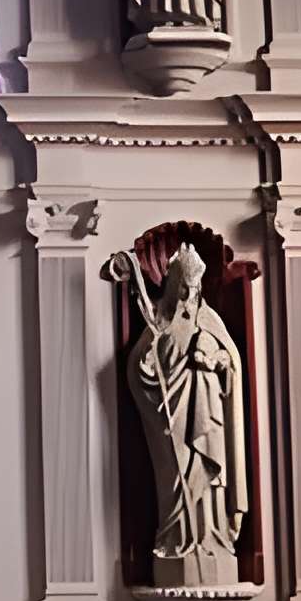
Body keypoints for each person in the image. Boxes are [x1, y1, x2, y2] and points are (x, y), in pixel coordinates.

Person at [107, 243, 247, 576]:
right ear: (174, 285)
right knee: (175, 475)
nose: (189, 294)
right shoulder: (160, 319)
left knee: (211, 476)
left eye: (194, 287)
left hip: (210, 413)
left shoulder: (209, 319)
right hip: (174, 414)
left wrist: (216, 360)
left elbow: (232, 364)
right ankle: (178, 538)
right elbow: (140, 369)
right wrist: (149, 361)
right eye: (184, 287)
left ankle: (212, 538)